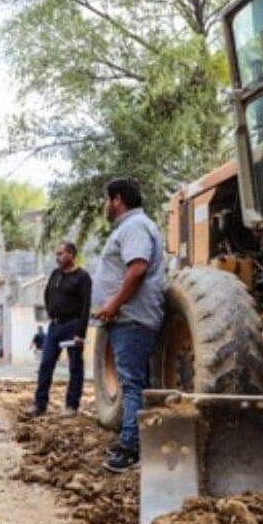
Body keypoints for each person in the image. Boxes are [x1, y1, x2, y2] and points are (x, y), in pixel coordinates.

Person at [93, 178, 165, 473]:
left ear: (117, 199)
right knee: (132, 381)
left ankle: (130, 450)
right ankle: (131, 440)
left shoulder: (134, 227)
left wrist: (112, 304)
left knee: (132, 384)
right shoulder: (131, 227)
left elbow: (137, 268)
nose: (104, 206)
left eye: (106, 200)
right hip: (127, 317)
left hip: (131, 318)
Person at [24, 241, 92, 418]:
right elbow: (47, 294)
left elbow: (86, 306)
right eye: (57, 254)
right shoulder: (55, 274)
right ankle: (39, 404)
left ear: (71, 254)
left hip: (73, 325)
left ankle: (71, 405)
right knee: (46, 364)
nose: (58, 257)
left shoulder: (82, 277)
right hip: (55, 326)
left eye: (61, 254)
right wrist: (51, 311)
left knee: (75, 366)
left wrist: (80, 333)